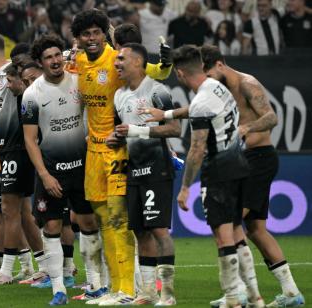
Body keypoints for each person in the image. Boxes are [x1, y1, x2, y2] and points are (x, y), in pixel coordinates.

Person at [70, 9, 172, 304]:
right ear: (78, 37)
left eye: (96, 33)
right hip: (92, 151)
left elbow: (153, 72)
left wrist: (165, 63)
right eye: (85, 34)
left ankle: (127, 290)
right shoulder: (75, 62)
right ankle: (115, 288)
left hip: (118, 150)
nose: (91, 39)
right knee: (102, 220)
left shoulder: (117, 59)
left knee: (118, 219)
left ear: (106, 34)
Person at [201, 45, 305, 308]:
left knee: (231, 222)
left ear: (220, 64)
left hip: (259, 158)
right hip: (244, 161)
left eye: (211, 73)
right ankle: (292, 293)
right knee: (256, 229)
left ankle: (239, 291)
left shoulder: (248, 83)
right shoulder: (218, 90)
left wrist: (248, 126)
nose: (210, 80)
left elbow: (272, 117)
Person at [169, 45, 260, 308]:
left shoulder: (200, 102)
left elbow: (197, 148)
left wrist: (185, 187)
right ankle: (254, 297)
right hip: (239, 164)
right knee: (236, 232)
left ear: (180, 73)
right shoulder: (217, 87)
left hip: (219, 171)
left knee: (223, 236)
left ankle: (233, 296)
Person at [21, 34, 102, 306]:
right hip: (52, 172)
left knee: (89, 223)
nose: (55, 61)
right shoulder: (31, 94)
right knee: (52, 226)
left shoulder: (79, 82)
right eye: (48, 57)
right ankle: (59, 289)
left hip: (83, 167)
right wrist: (44, 175)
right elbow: (30, 140)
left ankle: (95, 284)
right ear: (41, 62)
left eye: (57, 55)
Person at [107, 42, 180, 306]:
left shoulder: (158, 90)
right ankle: (147, 293)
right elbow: (123, 131)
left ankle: (168, 295)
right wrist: (115, 137)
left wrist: (137, 132)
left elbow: (174, 129)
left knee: (159, 230)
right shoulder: (118, 95)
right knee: (140, 231)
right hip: (134, 169)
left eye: (121, 59)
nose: (116, 64)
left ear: (138, 62)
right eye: (116, 60)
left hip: (157, 168)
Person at [0, 33, 46, 286]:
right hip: (8, 148)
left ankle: (5, 270)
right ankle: (44, 266)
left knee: (9, 208)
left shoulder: (14, 73)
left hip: (17, 146)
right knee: (23, 212)